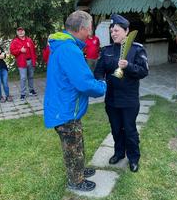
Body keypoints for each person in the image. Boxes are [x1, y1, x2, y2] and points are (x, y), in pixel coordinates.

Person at [44, 10, 107, 192]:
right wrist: (103, 86)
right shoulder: (69, 49)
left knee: (77, 142)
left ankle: (79, 170)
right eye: (89, 29)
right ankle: (76, 181)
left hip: (64, 106)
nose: (90, 34)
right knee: (72, 147)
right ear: (81, 28)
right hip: (65, 109)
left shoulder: (65, 45)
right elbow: (84, 83)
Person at [94, 14, 149, 172]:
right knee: (116, 129)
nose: (113, 33)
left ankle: (133, 158)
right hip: (111, 99)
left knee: (129, 129)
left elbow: (144, 71)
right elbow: (98, 72)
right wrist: (101, 82)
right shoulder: (107, 51)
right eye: (112, 31)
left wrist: (129, 66)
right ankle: (119, 153)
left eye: (117, 30)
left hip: (129, 99)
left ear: (126, 31)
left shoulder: (137, 49)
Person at [10, 27, 37, 101]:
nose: (21, 32)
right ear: (17, 33)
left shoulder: (29, 40)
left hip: (30, 61)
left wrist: (34, 61)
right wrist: (20, 50)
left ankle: (31, 90)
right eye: (19, 31)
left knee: (31, 76)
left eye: (22, 31)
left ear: (24, 32)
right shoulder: (15, 41)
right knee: (23, 78)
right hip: (22, 62)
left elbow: (34, 51)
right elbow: (12, 51)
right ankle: (23, 93)